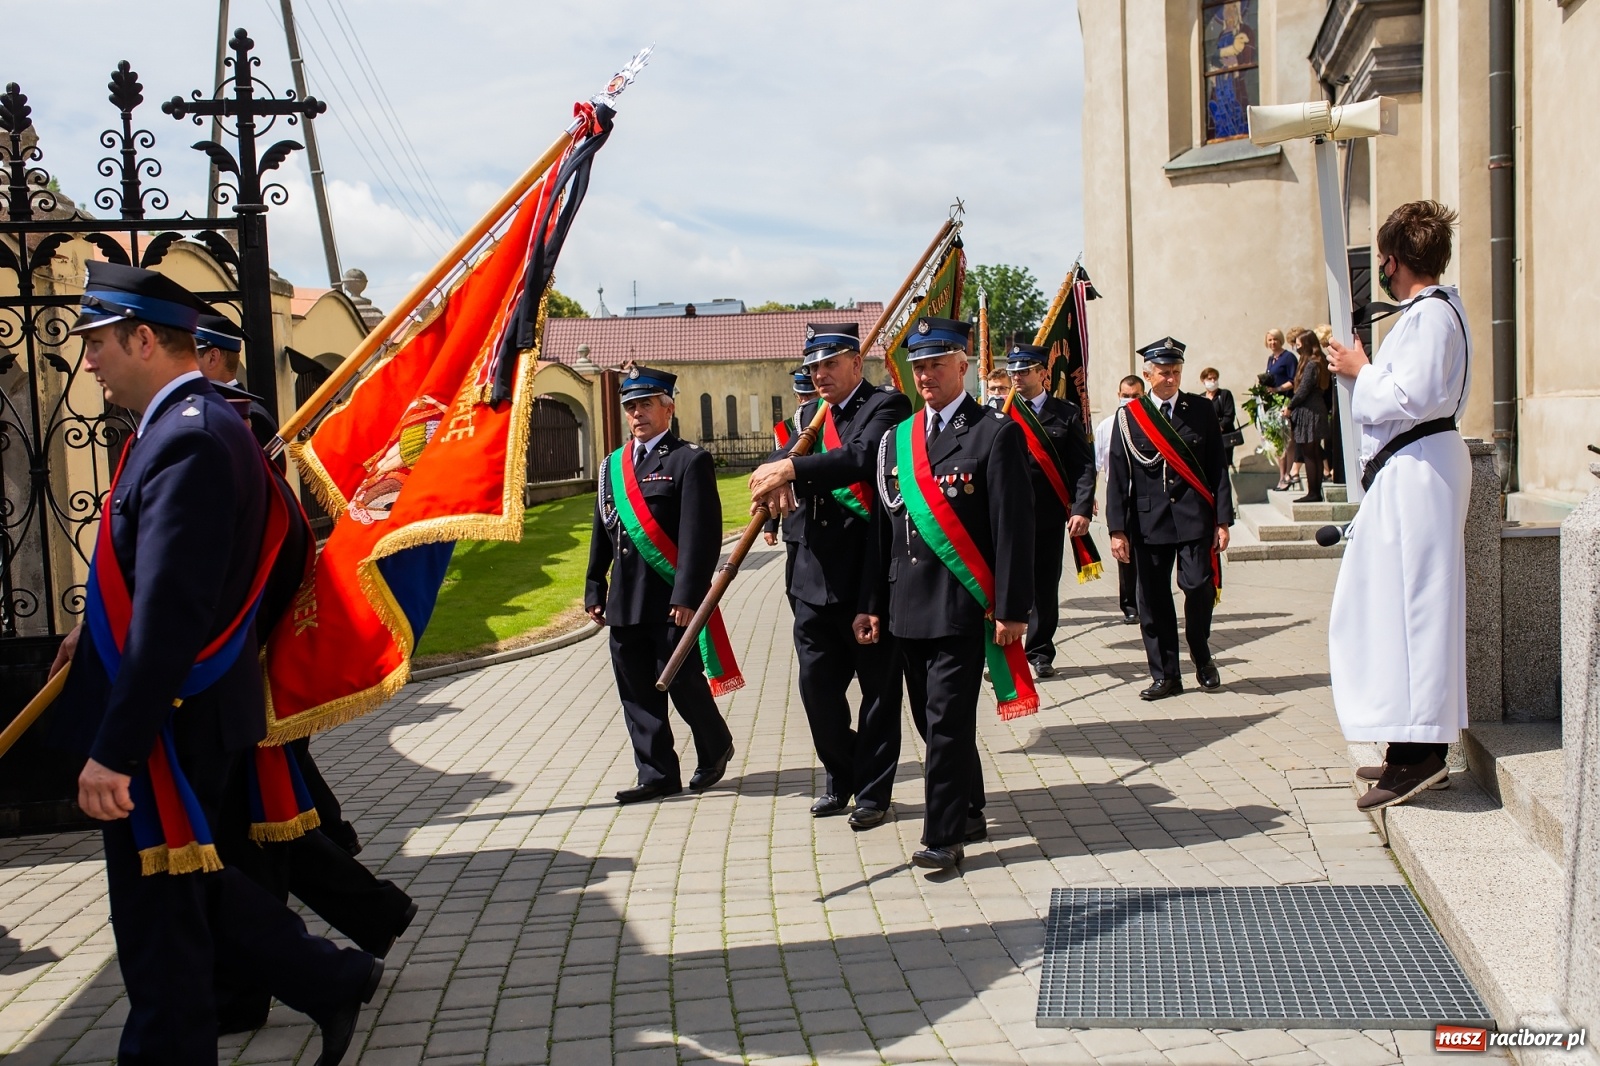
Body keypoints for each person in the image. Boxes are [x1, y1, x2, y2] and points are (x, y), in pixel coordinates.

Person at [46, 262, 381, 1065]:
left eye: (98, 342)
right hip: (184, 709)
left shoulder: (189, 437)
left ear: (144, 337)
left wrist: (114, 750)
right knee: (184, 887)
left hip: (170, 720)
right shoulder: (181, 426)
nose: (87, 361)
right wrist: (91, 632)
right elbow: (147, 580)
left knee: (158, 924)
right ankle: (329, 978)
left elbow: (171, 611)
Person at [860, 317, 1033, 870]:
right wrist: (871, 603)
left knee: (947, 721)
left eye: (937, 364)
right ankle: (971, 809)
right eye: (919, 367)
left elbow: (1013, 529)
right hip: (906, 605)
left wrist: (1012, 609)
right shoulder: (897, 441)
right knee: (930, 721)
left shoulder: (994, 433)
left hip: (962, 605)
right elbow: (883, 531)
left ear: (964, 365)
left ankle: (943, 835)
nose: (927, 375)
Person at [1325, 200, 1472, 811]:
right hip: (1410, 470)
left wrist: (1362, 369)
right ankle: (1402, 740)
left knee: (1415, 610)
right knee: (1390, 605)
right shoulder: (1425, 313)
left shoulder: (1433, 315)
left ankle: (1420, 756)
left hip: (1420, 471)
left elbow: (1408, 396)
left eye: (1382, 261)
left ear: (1393, 261)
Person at [746, 323, 911, 827]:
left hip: (867, 575)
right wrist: (776, 474)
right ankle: (843, 774)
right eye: (813, 366)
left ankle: (873, 794)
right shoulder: (806, 416)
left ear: (856, 364)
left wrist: (792, 471)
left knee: (878, 693)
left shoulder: (887, 407)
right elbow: (782, 458)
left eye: (830, 363)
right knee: (818, 691)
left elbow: (861, 458)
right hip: (810, 577)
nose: (820, 374)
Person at [586, 366, 736, 805]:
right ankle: (656, 774)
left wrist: (689, 596)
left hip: (670, 599)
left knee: (682, 682)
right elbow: (603, 530)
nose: (636, 413)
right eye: (630, 406)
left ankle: (714, 746)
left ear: (668, 408)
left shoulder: (689, 460)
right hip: (625, 600)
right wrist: (595, 584)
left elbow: (700, 537)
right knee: (634, 689)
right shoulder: (611, 466)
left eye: (645, 404)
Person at [1106, 337, 1234, 701]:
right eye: (1163, 373)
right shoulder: (1130, 417)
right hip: (1149, 524)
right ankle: (1166, 675)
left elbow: (1217, 469)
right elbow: (1118, 476)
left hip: (1195, 518)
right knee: (1154, 601)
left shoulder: (1200, 410)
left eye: (1176, 372)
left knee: (1197, 587)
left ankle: (1201, 650)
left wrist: (1223, 520)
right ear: (1148, 374)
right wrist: (1117, 529)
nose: (1171, 379)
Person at [1003, 342, 1096, 678]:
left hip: (1047, 515)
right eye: (1013, 370)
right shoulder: (1000, 412)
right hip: (1007, 516)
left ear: (1044, 374)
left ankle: (1040, 652)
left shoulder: (1066, 413)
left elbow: (1084, 466)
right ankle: (1007, 654)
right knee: (1008, 585)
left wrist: (1081, 508)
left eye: (1024, 370)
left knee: (1043, 586)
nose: (1016, 376)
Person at [1095, 375, 1146, 624]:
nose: (1130, 400)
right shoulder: (1106, 426)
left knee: (1147, 552)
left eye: (1136, 396)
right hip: (1118, 496)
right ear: (1118, 395)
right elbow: (1095, 464)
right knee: (1124, 552)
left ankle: (1146, 600)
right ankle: (1129, 604)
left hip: (1146, 496)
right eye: (1126, 395)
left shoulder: (1150, 423)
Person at [1287, 331, 1331, 502]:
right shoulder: (1319, 361)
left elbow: (1304, 389)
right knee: (1314, 452)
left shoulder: (1312, 364)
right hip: (1314, 408)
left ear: (1306, 344)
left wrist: (1290, 406)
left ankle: (1313, 492)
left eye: (1299, 345)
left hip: (1309, 410)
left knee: (1310, 452)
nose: (1297, 348)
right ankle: (1315, 492)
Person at [1263, 328, 1299, 490]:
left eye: (1275, 339)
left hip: (1285, 402)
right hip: (1273, 404)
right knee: (1278, 441)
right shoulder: (1271, 359)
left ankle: (1288, 475)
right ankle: (1282, 475)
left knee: (1286, 441)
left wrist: (1277, 390)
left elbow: (1294, 380)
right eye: (1270, 340)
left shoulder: (1288, 357)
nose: (1272, 343)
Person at [1199, 366, 1238, 469]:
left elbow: (1229, 415)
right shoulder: (1201, 398)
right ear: (1203, 380)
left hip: (1223, 437)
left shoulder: (1224, 394)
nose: (1213, 381)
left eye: (1215, 378)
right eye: (1210, 378)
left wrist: (1218, 428)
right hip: (1207, 439)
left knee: (1223, 466)